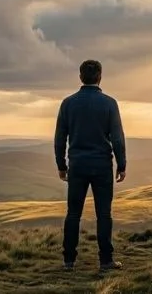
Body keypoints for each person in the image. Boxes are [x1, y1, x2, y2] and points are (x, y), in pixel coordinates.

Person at [54, 60, 127, 272]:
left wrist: (61, 165)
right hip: (102, 165)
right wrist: (121, 165)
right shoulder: (109, 103)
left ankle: (68, 261)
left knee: (73, 213)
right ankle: (106, 261)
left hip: (77, 165)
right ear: (100, 76)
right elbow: (118, 139)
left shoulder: (68, 103)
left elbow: (60, 138)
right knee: (104, 214)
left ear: (80, 77)